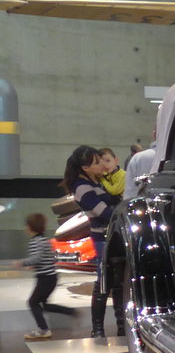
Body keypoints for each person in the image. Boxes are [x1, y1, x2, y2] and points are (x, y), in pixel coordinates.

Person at [63, 144, 125, 338]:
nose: (101, 165)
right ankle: (97, 328)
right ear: (85, 168)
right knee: (105, 281)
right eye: (97, 163)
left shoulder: (95, 182)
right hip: (102, 238)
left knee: (115, 282)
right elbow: (104, 213)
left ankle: (121, 326)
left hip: (110, 237)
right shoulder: (82, 187)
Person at [21, 212, 75, 340]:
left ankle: (43, 330)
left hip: (45, 279)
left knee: (32, 302)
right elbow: (47, 258)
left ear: (30, 227)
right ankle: (71, 312)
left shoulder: (36, 242)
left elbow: (36, 258)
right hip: (49, 278)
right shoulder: (44, 241)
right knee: (44, 305)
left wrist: (22, 263)